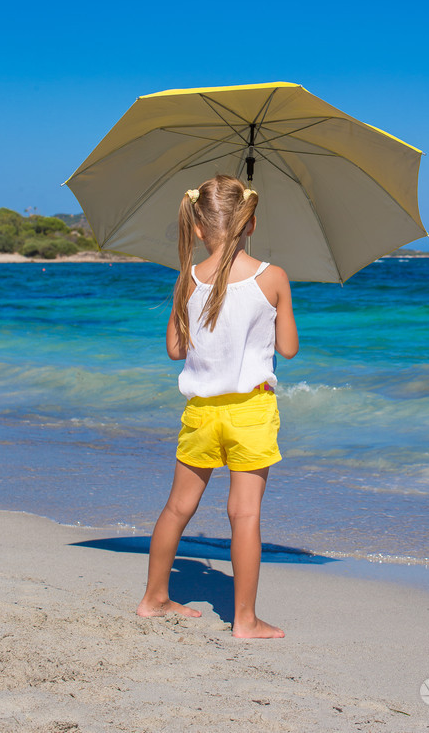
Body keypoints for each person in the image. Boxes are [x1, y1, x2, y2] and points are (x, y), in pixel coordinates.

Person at [137, 174, 298, 638]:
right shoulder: (273, 277)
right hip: (251, 412)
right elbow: (287, 348)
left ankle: (153, 598)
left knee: (176, 509)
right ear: (251, 224)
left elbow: (173, 348)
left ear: (200, 227)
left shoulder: (187, 279)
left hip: (202, 413)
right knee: (244, 515)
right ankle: (244, 620)